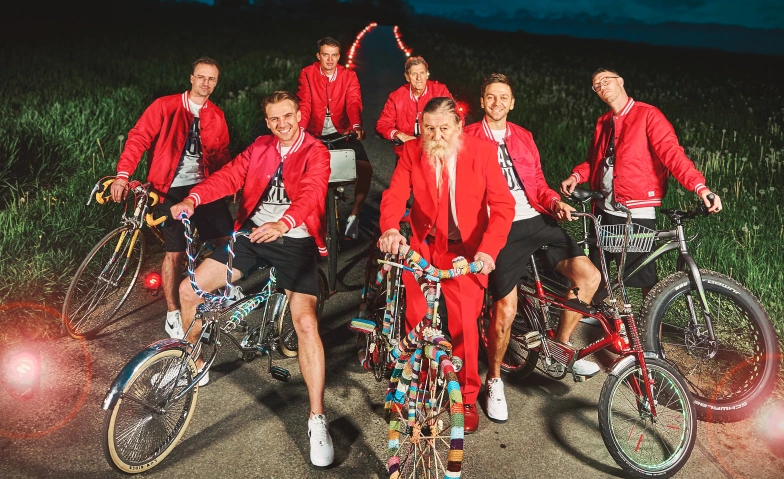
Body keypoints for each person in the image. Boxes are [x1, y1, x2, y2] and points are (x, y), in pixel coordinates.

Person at [169, 91, 334, 468]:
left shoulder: (316, 152)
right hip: (253, 235)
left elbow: (312, 193)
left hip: (294, 240)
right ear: (267, 122)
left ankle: (317, 418)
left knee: (306, 323)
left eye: (287, 116)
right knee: (188, 290)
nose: (282, 124)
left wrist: (284, 223)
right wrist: (194, 199)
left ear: (299, 115)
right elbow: (228, 177)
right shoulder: (261, 147)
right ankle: (193, 365)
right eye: (274, 119)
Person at [464, 73, 603, 424]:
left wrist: (554, 202)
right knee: (506, 311)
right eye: (491, 97)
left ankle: (560, 346)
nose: (497, 102)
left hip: (536, 219)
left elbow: (538, 183)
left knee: (589, 277)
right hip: (499, 226)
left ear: (512, 103)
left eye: (503, 97)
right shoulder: (467, 137)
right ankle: (494, 380)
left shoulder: (524, 136)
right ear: (482, 102)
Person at [378, 97, 515, 434]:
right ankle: (418, 387)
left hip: (466, 252)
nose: (436, 135)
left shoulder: (482, 152)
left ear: (458, 127)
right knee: (416, 318)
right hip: (425, 246)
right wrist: (391, 228)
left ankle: (464, 398)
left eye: (443, 128)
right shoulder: (412, 152)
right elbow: (395, 195)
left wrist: (487, 251)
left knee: (465, 323)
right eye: (429, 129)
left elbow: (503, 205)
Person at [561, 68, 722, 296]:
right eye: (596, 85)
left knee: (644, 274)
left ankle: (649, 318)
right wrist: (576, 176)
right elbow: (594, 160)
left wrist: (700, 187)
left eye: (606, 80)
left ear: (620, 81)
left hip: (635, 209)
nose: (602, 86)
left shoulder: (648, 115)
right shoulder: (603, 121)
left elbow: (672, 154)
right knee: (597, 272)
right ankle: (601, 314)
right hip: (602, 207)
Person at [111, 57, 233, 340]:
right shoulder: (165, 106)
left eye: (212, 79)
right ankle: (172, 314)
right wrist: (122, 175)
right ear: (191, 78)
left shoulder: (216, 115)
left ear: (216, 82)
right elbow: (138, 138)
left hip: (204, 186)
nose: (206, 83)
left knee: (227, 239)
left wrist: (228, 184)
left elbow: (222, 153)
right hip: (169, 187)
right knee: (175, 253)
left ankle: (218, 286)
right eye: (201, 77)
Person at [297, 36, 371, 240]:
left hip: (343, 132)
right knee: (301, 171)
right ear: (318, 56)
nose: (330, 60)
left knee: (365, 169)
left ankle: (354, 216)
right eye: (326, 55)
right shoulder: (307, 73)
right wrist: (300, 130)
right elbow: (305, 103)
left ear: (339, 56)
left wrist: (356, 126)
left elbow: (353, 102)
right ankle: (304, 218)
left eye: (334, 55)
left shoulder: (349, 76)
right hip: (314, 132)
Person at [375, 56, 451, 160]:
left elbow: (456, 117)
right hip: (405, 152)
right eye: (414, 74)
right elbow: (382, 124)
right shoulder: (396, 96)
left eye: (422, 73)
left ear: (427, 74)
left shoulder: (440, 91)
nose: (419, 78)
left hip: (435, 150)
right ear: (407, 77)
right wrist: (398, 134)